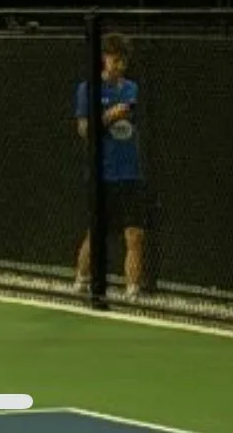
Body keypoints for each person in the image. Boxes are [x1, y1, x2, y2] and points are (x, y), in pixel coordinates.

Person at [74, 33, 146, 302]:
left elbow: (130, 118)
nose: (120, 66)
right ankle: (81, 280)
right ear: (104, 59)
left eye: (123, 61)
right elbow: (84, 131)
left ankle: (133, 291)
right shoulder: (88, 89)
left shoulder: (130, 89)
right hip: (102, 174)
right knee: (97, 233)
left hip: (130, 173)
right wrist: (106, 117)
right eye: (115, 60)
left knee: (135, 234)